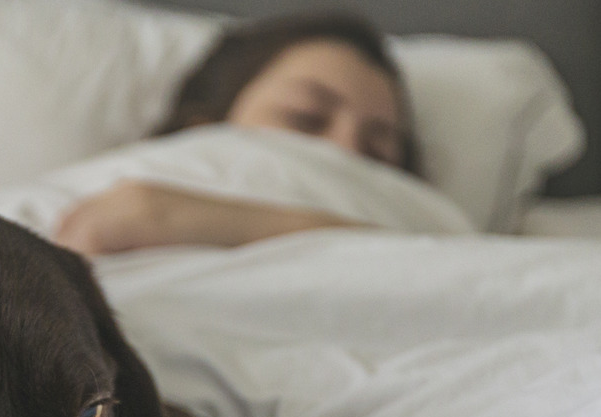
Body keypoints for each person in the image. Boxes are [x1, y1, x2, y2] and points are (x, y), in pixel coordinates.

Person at [53, 12, 415, 256]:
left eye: (376, 150)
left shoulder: (437, 233)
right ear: (203, 125)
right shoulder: (89, 189)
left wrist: (157, 214)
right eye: (305, 118)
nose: (345, 153)